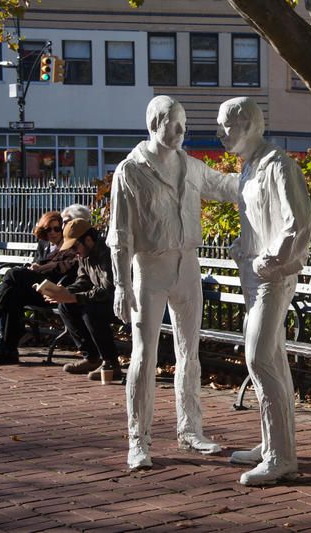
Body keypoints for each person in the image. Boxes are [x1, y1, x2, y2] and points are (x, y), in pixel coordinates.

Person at [108, 95, 239, 470]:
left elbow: (226, 186)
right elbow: (120, 234)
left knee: (189, 352)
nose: (182, 131)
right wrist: (120, 284)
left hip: (188, 266)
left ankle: (190, 429)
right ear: (154, 124)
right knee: (144, 356)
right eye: (174, 124)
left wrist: (262, 177)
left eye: (184, 124)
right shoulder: (130, 171)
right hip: (149, 268)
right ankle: (139, 439)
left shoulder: (191, 166)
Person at [217, 96, 311, 486]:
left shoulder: (279, 165)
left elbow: (299, 224)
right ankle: (274, 442)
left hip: (273, 277)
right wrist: (242, 246)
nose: (220, 134)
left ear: (249, 124)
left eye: (227, 125)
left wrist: (272, 260)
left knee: (259, 359)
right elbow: (256, 220)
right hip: (253, 275)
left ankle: (280, 457)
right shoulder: (248, 168)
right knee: (273, 360)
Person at [0, 211, 78, 365]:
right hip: (33, 288)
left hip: (52, 289)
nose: (53, 233)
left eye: (57, 228)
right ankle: (10, 344)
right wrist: (33, 268)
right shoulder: (44, 244)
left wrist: (41, 268)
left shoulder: (70, 243)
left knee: (13, 274)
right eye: (48, 229)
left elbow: (68, 266)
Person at [43, 218, 121, 382]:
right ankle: (92, 357)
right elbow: (83, 280)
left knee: (90, 309)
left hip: (122, 303)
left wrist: (74, 297)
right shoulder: (84, 254)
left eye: (75, 246)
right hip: (104, 299)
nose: (74, 252)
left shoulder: (107, 253)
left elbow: (109, 291)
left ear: (88, 239)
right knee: (65, 305)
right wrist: (62, 292)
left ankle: (111, 363)